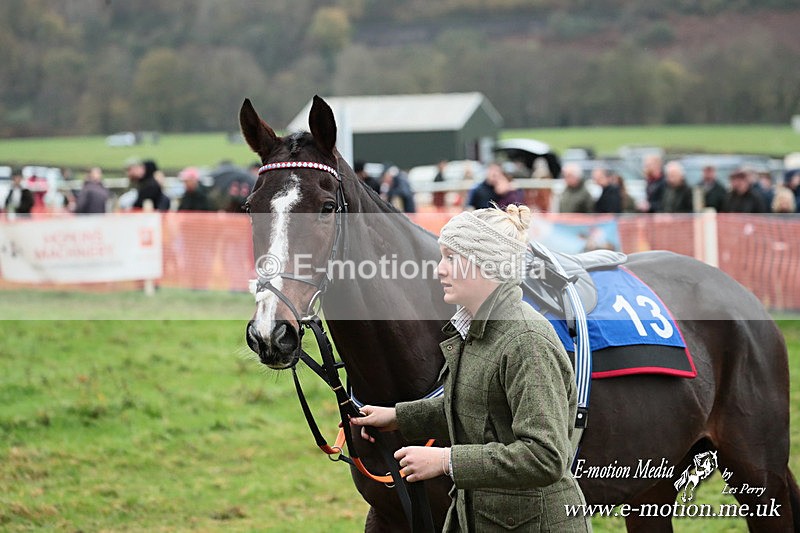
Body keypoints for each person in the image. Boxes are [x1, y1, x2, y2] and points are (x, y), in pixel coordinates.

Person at [351, 205, 591, 532]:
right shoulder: (474, 329)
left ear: (485, 264)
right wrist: (398, 418)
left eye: (451, 258)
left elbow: (545, 457)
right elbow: (474, 404)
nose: (439, 270)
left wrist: (445, 461)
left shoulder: (526, 341)